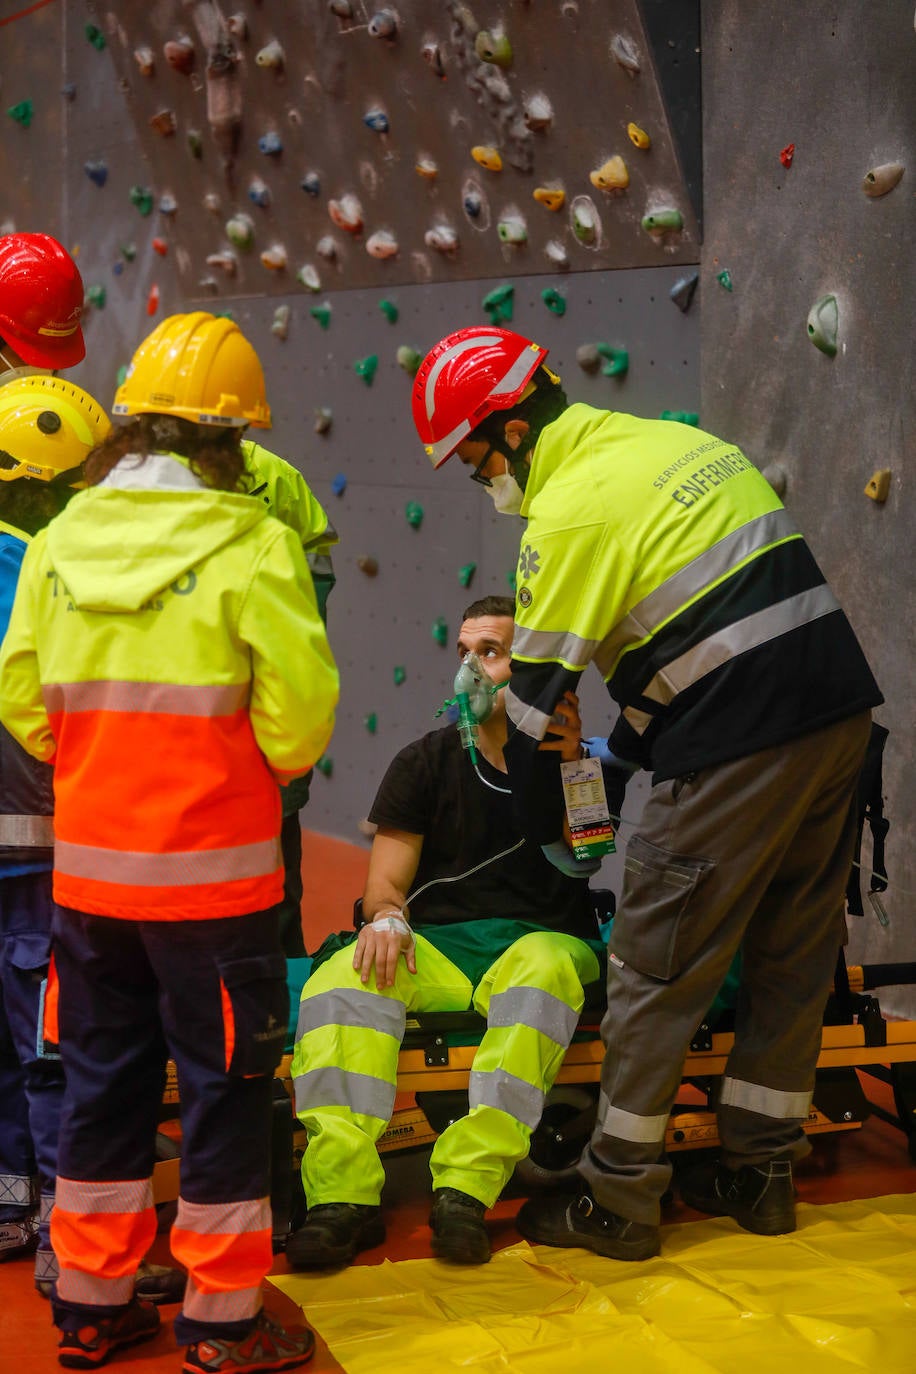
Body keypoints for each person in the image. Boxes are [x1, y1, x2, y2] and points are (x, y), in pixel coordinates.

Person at [412, 326, 882, 1260]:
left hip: (734, 744)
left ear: (506, 428)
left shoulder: (569, 512)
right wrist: (622, 761)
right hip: (836, 720)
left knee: (655, 966)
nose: (478, 480)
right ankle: (762, 1172)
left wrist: (552, 826)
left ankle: (616, 1198)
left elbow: (532, 703)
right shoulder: (680, 444)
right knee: (791, 950)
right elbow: (692, 643)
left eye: (471, 459)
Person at [0, 311, 339, 1371]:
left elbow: (22, 700)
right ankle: (221, 1324)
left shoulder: (58, 541)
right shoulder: (256, 542)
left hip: (90, 887)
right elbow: (298, 723)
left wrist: (97, 770)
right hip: (218, 894)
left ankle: (94, 1308)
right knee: (226, 1092)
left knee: (101, 1083)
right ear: (230, 441)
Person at [287, 595, 606, 1269]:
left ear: (538, 674)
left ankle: (465, 1189)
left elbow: (588, 858)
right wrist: (388, 918)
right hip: (446, 947)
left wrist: (570, 761)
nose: (470, 669)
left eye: (490, 653)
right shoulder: (423, 763)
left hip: (538, 940)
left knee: (545, 974)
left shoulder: (578, 767)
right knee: (344, 978)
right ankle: (339, 1197)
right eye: (463, 653)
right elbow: (385, 886)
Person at [0, 377, 108, 1293]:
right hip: (42, 853)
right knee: (49, 1043)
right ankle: (59, 1225)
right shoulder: (43, 572)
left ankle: (11, 1197)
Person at [240, 442, 338, 958]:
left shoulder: (272, 477)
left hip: (262, 747)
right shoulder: (274, 475)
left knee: (275, 900)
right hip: (237, 752)